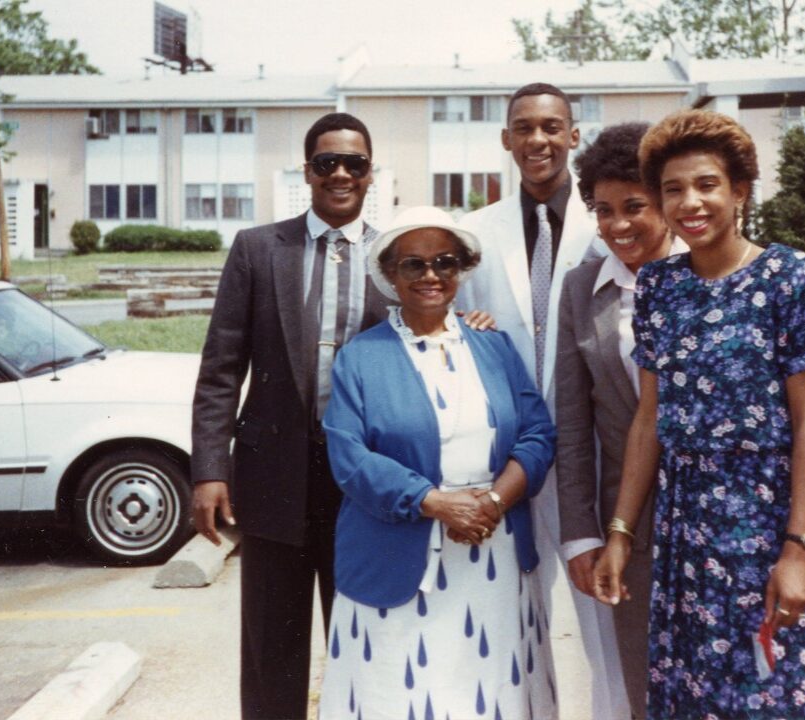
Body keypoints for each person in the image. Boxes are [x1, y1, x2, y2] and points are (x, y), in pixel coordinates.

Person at [557, 122, 805, 718]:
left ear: (741, 190)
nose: (690, 202)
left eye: (706, 185)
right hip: (684, 535)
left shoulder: (797, 279)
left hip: (763, 524)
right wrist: (622, 532)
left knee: (772, 692)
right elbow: (650, 419)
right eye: (673, 190)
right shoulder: (658, 286)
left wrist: (799, 552)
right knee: (690, 698)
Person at [318, 206, 558, 720]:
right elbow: (349, 456)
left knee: (488, 694)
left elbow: (538, 433)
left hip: (492, 558)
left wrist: (493, 501)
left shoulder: (493, 345)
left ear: (462, 270)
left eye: (444, 262)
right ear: (389, 274)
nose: (430, 275)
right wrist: (434, 502)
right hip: (397, 556)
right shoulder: (360, 357)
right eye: (413, 265)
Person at [190, 113, 389, 719]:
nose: (341, 174)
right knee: (272, 652)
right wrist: (208, 470)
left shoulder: (393, 256)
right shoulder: (258, 249)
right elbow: (222, 367)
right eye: (327, 162)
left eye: (354, 163)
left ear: (370, 173)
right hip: (272, 476)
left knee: (363, 647)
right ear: (307, 171)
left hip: (360, 485)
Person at [458, 82, 630, 718]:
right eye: (524, 128)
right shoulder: (473, 234)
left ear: (574, 135)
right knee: (513, 630)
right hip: (509, 462)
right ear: (506, 140)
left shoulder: (607, 225)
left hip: (590, 458)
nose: (539, 140)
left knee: (604, 625)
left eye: (552, 127)